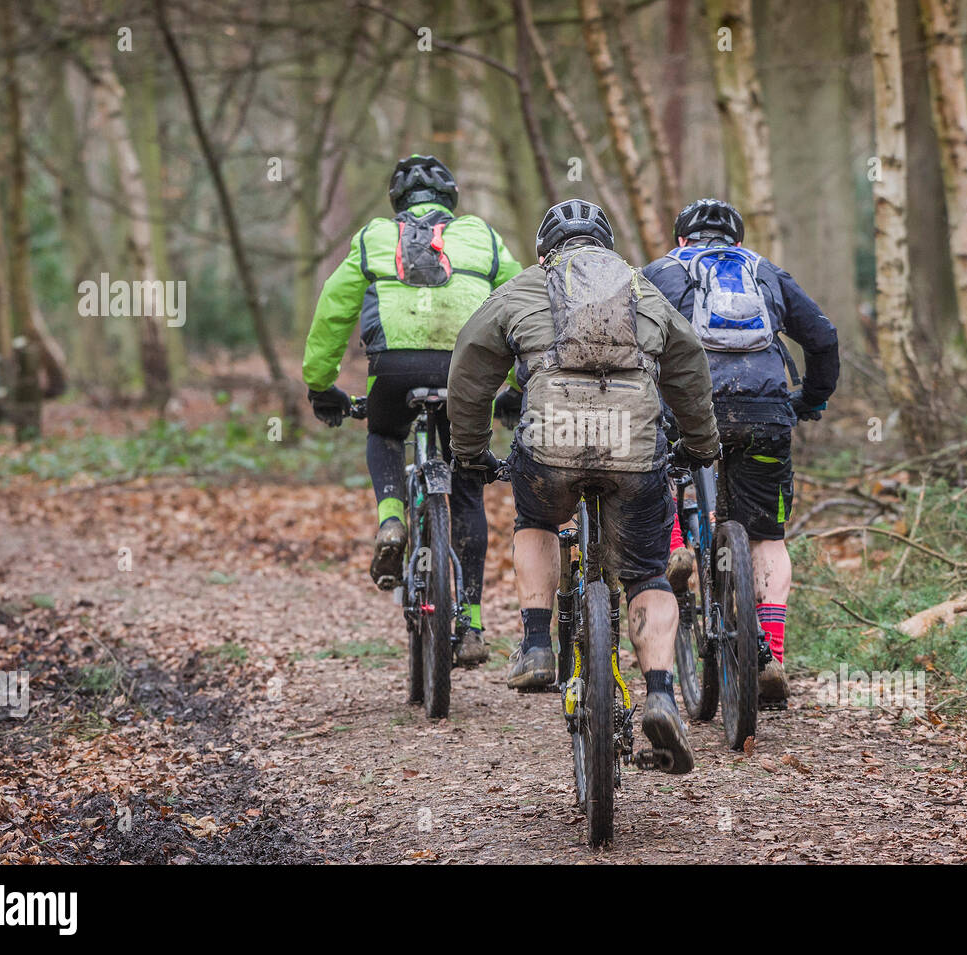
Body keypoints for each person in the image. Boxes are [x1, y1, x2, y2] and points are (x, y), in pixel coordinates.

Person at [447, 199, 720, 774]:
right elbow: (690, 363)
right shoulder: (643, 289)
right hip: (634, 448)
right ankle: (663, 695)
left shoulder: (524, 287)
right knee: (646, 571)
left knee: (538, 519)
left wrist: (471, 451)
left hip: (551, 446)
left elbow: (470, 366)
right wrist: (700, 444)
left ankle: (538, 643)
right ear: (608, 246)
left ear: (546, 249)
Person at [302, 155, 521, 667]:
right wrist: (515, 385)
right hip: (465, 373)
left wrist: (321, 385)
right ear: (452, 202)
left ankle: (392, 520)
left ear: (398, 203)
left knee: (383, 434)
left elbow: (334, 309)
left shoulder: (374, 237)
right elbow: (519, 306)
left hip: (394, 371)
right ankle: (470, 620)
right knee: (466, 481)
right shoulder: (483, 237)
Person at [642, 199, 839, 707]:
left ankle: (676, 545)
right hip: (764, 409)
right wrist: (810, 400)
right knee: (766, 536)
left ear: (682, 239)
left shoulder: (660, 272)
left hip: (687, 406)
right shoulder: (765, 272)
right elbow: (822, 337)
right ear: (735, 239)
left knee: (656, 467)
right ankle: (770, 653)